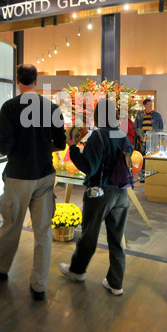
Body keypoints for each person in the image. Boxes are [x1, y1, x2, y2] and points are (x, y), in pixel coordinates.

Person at [0, 64, 66, 300]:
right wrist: (42, 148)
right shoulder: (52, 108)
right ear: (37, 80)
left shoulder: (9, 107)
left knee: (11, 224)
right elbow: (60, 144)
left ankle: (1, 267)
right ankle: (39, 286)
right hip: (45, 175)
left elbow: (5, 146)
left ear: (17, 80)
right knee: (43, 231)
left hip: (18, 176)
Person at [59, 98, 131, 296]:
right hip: (122, 194)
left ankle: (77, 271)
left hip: (99, 194)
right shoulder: (122, 135)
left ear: (99, 115)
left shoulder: (98, 137)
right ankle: (116, 283)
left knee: (89, 235)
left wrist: (73, 148)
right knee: (116, 241)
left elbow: (89, 167)